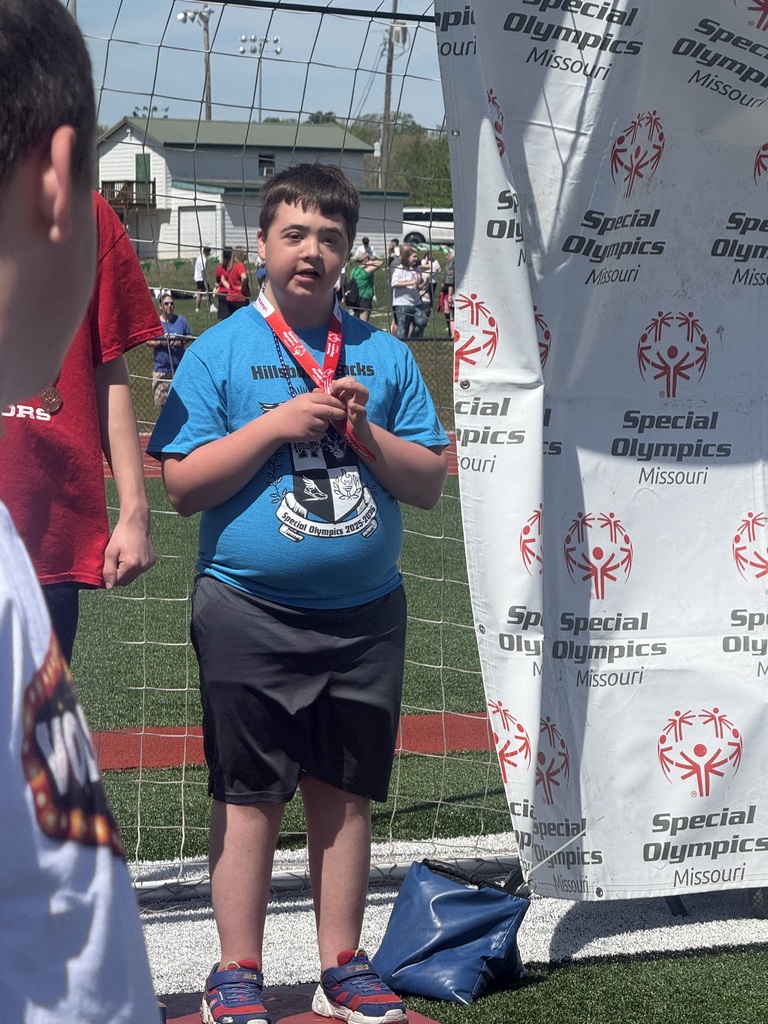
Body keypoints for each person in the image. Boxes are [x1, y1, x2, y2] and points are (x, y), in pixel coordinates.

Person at [148, 162, 449, 1024]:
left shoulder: (385, 355)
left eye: (329, 237)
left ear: (351, 252)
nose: (311, 251)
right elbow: (183, 485)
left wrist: (363, 431)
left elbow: (428, 482)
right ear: (262, 245)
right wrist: (276, 424)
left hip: (365, 617)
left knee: (345, 794)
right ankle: (236, 970)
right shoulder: (219, 351)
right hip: (249, 611)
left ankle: (342, 964)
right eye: (294, 234)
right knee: (249, 796)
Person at [0, 1, 162, 1020]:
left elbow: (110, 365)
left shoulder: (99, 229)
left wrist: (131, 507)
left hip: (51, 528)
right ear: (60, 176)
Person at [0, 191, 159, 664]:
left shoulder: (81, 211)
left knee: (29, 712)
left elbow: (105, 363)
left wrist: (135, 510)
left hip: (40, 534)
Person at [148, 291, 193, 409]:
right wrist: (160, 342)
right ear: (160, 306)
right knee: (162, 405)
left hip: (179, 369)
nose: (169, 306)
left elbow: (189, 336)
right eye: (166, 304)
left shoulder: (181, 321)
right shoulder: (156, 323)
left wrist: (181, 341)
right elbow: (148, 341)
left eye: (172, 303)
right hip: (161, 369)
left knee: (181, 404)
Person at [391, 244, 428, 342]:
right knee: (403, 326)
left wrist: (421, 285)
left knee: (422, 321)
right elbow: (394, 283)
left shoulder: (417, 269)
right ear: (407, 257)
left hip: (416, 302)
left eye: (416, 257)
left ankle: (413, 340)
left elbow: (418, 283)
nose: (416, 259)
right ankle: (401, 345)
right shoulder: (400, 268)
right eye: (413, 257)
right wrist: (410, 282)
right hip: (402, 302)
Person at [346, 252, 382, 322]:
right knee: (364, 321)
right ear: (365, 259)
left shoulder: (354, 271)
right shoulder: (366, 271)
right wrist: (370, 262)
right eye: (368, 258)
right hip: (365, 297)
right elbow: (380, 263)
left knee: (356, 319)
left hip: (356, 297)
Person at [226, 245, 252, 315]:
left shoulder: (231, 266)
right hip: (240, 298)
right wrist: (243, 287)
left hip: (230, 297)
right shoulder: (240, 266)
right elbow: (244, 277)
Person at [215, 247, 232, 320]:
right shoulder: (233, 267)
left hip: (222, 293)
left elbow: (217, 281)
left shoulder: (219, 268)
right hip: (231, 293)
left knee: (224, 318)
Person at [195, 244, 214, 312]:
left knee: (207, 292)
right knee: (202, 293)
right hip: (201, 279)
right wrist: (205, 281)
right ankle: (210, 307)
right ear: (207, 252)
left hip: (198, 278)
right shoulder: (203, 259)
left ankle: (199, 308)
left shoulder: (199, 257)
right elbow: (202, 271)